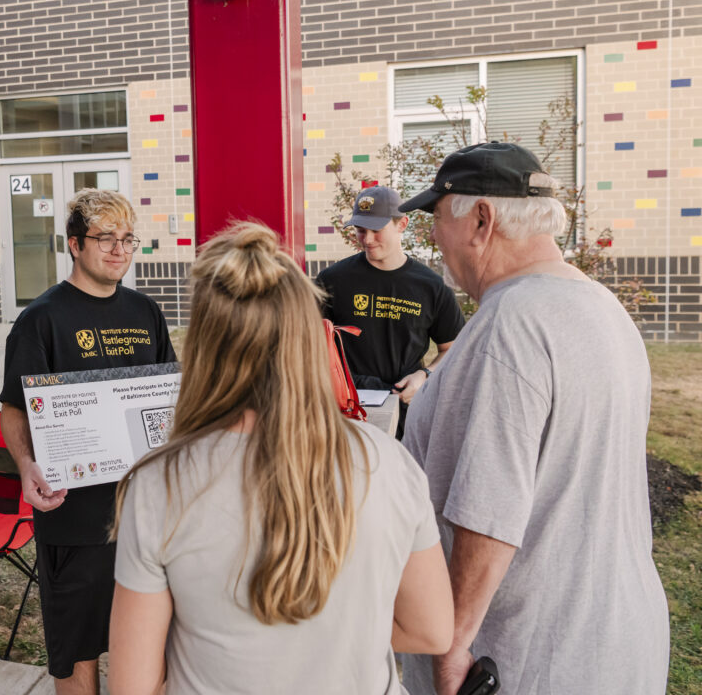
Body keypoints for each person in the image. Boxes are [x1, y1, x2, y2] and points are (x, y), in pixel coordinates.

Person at [108, 221, 454, 695]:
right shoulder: (387, 461)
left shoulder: (158, 485)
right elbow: (431, 629)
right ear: (308, 337)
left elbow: (133, 687)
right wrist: (337, 635)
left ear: (205, 346)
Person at [397, 142, 670, 695]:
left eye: (436, 221)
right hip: (615, 638)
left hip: (521, 659)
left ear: (481, 220)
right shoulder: (600, 306)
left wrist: (451, 648)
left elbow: (487, 513)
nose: (434, 243)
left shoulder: (511, 325)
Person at [0, 189, 175, 695]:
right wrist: (27, 463)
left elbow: (164, 396)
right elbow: (16, 406)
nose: (119, 250)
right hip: (73, 513)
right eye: (105, 239)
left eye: (127, 240)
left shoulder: (146, 311)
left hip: (143, 510)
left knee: (150, 642)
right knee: (77, 652)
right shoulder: (42, 318)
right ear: (74, 245)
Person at [316, 186, 464, 436]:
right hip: (344, 411)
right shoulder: (333, 280)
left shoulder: (431, 287)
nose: (368, 239)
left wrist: (424, 375)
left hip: (405, 413)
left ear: (402, 224)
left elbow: (453, 349)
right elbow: (307, 342)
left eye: (376, 230)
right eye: (361, 230)